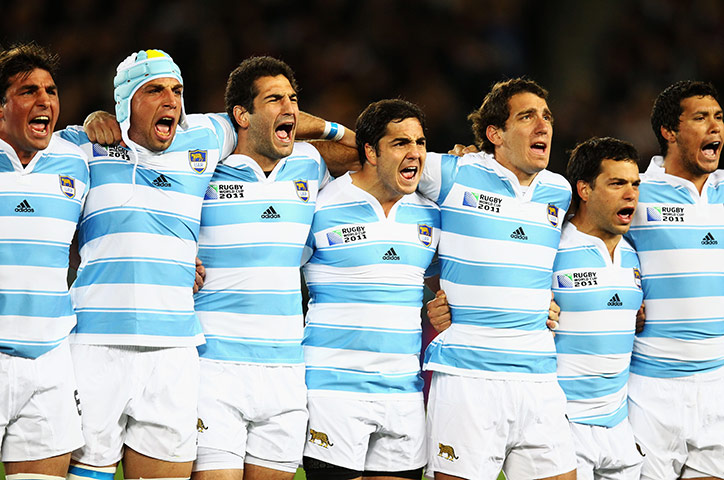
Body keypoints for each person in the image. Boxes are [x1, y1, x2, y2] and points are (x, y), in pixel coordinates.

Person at [59, 49, 237, 480]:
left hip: (174, 350)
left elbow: (269, 120)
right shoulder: (82, 146)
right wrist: (92, 119)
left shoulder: (205, 137)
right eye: (154, 90)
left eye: (177, 89)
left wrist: (337, 131)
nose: (171, 100)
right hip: (95, 345)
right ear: (126, 102)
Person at [191, 56, 356, 480]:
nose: (290, 107)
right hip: (213, 366)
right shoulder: (205, 168)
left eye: (294, 98)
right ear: (242, 115)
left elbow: (368, 154)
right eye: (274, 99)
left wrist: (320, 126)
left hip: (286, 370)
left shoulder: (308, 162)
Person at [417, 78, 577, 479]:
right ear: (495, 134)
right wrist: (436, 286)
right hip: (469, 378)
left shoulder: (559, 191)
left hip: (539, 377)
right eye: (527, 117)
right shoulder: (452, 173)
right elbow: (376, 160)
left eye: (547, 116)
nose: (543, 126)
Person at [300, 99, 439, 480]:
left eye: (420, 142)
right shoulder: (320, 204)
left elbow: (452, 284)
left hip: (404, 393)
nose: (415, 153)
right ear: (371, 152)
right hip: (333, 392)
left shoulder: (431, 215)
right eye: (400, 143)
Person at [624, 80, 724, 480]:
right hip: (652, 389)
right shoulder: (634, 191)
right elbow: (572, 242)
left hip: (717, 385)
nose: (715, 127)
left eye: (719, 117)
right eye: (700, 118)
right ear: (669, 131)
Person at [0, 42, 88, 480]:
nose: (45, 101)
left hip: (50, 361)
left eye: (51, 91)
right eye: (28, 91)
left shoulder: (78, 159)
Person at [554, 137, 644, 479]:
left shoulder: (634, 255)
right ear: (585, 190)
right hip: (562, 423)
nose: (630, 194)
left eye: (635, 184)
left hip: (619, 425)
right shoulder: (551, 247)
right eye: (617, 183)